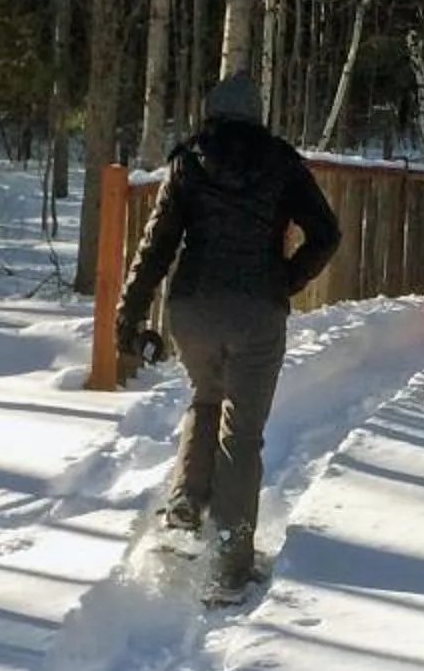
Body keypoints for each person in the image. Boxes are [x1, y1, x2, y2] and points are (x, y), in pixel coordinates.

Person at [114, 72, 342, 590]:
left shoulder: (189, 161)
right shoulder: (281, 162)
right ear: (257, 114)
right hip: (256, 309)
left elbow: (156, 246)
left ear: (212, 111)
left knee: (204, 399)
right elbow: (327, 234)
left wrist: (129, 313)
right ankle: (230, 560)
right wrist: (286, 279)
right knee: (241, 431)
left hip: (193, 307)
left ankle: (183, 513)